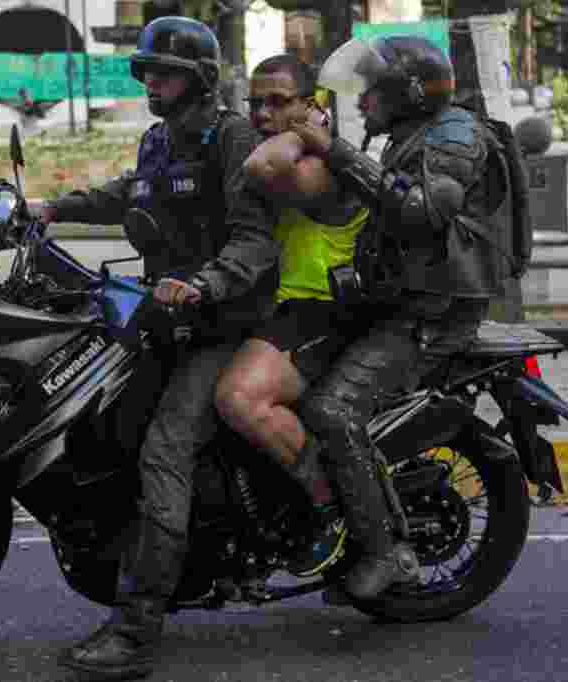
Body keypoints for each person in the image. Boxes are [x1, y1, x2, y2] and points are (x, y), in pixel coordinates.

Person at [38, 16, 280, 680]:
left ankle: (137, 628)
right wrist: (50, 209)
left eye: (164, 73)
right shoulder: (160, 140)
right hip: (165, 324)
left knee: (164, 453)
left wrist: (205, 284)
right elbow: (127, 196)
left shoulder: (231, 139)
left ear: (199, 79)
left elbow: (256, 239)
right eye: (147, 72)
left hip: (224, 329)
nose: (151, 81)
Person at [285, 35, 515, 600]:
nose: (361, 104)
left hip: (432, 318)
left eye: (371, 93)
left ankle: (383, 550)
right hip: (397, 302)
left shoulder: (456, 135)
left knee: (331, 409)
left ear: (407, 92)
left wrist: (337, 150)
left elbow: (421, 214)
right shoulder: (408, 136)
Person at [213, 54, 371, 578]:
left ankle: (332, 508)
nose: (261, 114)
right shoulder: (290, 154)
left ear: (313, 104)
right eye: (254, 103)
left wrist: (312, 131)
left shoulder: (317, 169)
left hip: (323, 311)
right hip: (286, 307)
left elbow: (259, 166)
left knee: (239, 397)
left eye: (278, 102)